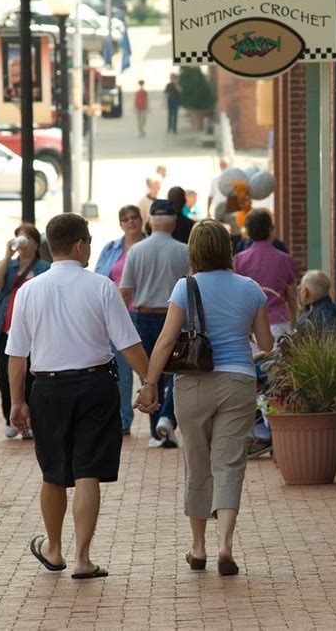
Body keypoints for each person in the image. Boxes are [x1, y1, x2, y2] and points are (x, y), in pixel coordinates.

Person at [5, 213, 155, 579]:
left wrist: (17, 402)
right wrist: (149, 381)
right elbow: (128, 343)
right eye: (87, 239)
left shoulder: (29, 291)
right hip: (94, 385)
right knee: (88, 470)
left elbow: (17, 356)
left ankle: (54, 550)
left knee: (53, 472)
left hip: (48, 388)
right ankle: (82, 558)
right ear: (79, 244)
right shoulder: (101, 286)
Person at [136, 219, 274, 576]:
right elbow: (266, 343)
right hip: (239, 382)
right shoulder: (251, 289)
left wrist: (150, 384)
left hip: (193, 384)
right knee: (228, 463)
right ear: (228, 250)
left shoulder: (185, 288)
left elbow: (166, 342)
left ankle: (198, 548)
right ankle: (225, 545)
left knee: (197, 464)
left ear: (194, 250)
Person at [120, 200, 189, 448]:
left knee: (149, 374)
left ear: (150, 221)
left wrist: (117, 324)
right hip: (175, 316)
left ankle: (154, 431)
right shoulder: (184, 250)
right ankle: (168, 418)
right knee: (178, 371)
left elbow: (125, 291)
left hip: (143, 315)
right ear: (174, 222)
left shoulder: (136, 251)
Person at [0, 224, 50, 438]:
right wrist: (7, 256)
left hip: (32, 332)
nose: (22, 241)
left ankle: (30, 420)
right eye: (19, 237)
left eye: (26, 238)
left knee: (31, 377)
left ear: (35, 242)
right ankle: (11, 419)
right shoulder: (11, 267)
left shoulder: (44, 268)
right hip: (4, 331)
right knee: (4, 377)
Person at [95, 205, 145, 435]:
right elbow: (98, 277)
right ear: (120, 224)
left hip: (145, 312)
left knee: (150, 368)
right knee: (122, 370)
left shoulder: (150, 247)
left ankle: (157, 416)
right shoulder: (111, 248)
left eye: (134, 217)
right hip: (116, 315)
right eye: (126, 219)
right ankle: (124, 419)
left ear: (142, 220)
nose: (131, 222)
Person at [234, 209, 298, 343]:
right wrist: (293, 325)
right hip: (279, 324)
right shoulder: (285, 260)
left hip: (250, 327)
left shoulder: (239, 260)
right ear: (270, 230)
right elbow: (292, 298)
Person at [295, 270, 336, 334]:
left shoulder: (323, 314)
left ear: (306, 292)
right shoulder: (326, 308)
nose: (299, 290)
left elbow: (331, 337)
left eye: (300, 288)